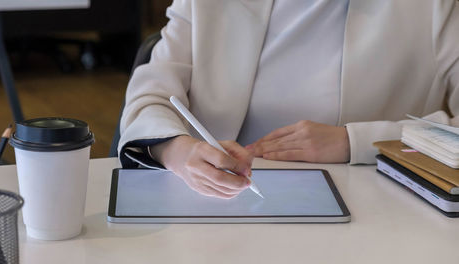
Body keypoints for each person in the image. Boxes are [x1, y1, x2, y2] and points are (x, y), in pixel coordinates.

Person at [118, 0, 459, 199]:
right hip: (215, 209)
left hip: (377, 214)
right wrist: (178, 150)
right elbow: (150, 97)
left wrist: (353, 142)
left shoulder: (433, 9)